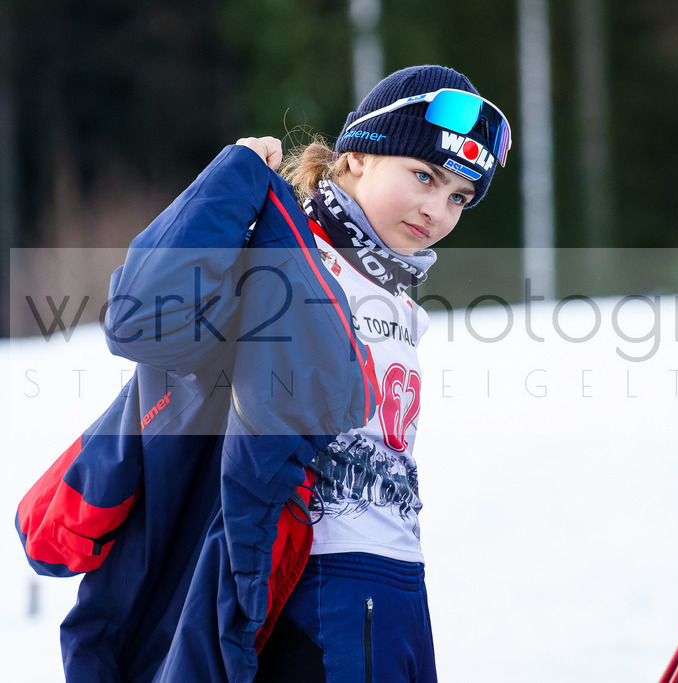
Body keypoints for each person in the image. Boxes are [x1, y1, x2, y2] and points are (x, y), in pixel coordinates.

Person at [15, 64, 510, 683]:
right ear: (358, 157)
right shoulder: (276, 259)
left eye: (459, 197)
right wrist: (232, 178)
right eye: (424, 177)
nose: (437, 209)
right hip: (310, 583)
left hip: (399, 580)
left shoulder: (403, 302)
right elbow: (141, 317)